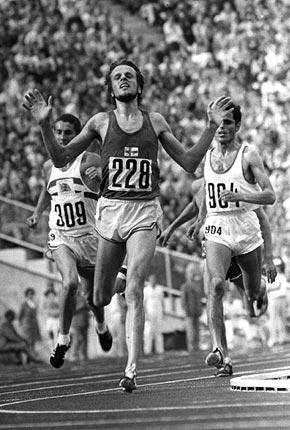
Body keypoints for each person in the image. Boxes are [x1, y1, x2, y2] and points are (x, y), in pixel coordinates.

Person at [23, 58, 233, 391]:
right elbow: (62, 159)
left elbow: (191, 162)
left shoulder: (156, 121)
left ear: (139, 85)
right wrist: (45, 125)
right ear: (110, 87)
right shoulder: (101, 122)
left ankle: (131, 370)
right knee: (101, 297)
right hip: (110, 213)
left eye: (129, 76)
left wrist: (210, 127)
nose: (123, 80)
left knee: (135, 288)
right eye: (117, 77)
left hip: (144, 212)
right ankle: (117, 278)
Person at [193, 103, 276, 376]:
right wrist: (200, 218)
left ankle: (260, 288)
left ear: (237, 126)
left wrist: (242, 196)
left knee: (251, 293)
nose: (222, 127)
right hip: (217, 226)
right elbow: (207, 190)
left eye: (228, 122)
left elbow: (270, 195)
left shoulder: (248, 155)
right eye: (218, 122)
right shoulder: (207, 156)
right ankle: (221, 352)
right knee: (215, 285)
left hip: (246, 229)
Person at [26, 113, 113, 368]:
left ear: (80, 137)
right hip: (61, 236)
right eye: (59, 132)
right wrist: (37, 213)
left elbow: (104, 185)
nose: (63, 137)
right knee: (69, 283)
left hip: (89, 238)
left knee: (93, 298)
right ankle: (63, 340)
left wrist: (100, 179)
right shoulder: (46, 166)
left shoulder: (89, 160)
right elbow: (46, 188)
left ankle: (101, 325)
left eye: (69, 133)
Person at [181, 261, 204, 352]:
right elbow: (183, 301)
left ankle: (196, 345)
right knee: (190, 330)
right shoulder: (185, 286)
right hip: (189, 312)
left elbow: (199, 299)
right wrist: (186, 310)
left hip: (196, 311)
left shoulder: (196, 286)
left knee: (197, 330)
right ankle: (191, 346)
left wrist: (200, 309)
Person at [143, 274, 164, 355]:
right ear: (149, 280)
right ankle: (147, 350)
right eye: (151, 279)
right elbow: (144, 303)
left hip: (158, 312)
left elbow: (162, 301)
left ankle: (160, 350)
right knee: (148, 332)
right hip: (149, 312)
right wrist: (146, 314)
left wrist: (163, 311)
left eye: (154, 279)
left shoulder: (160, 289)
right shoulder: (146, 290)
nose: (153, 281)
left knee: (158, 331)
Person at [18, 288, 41, 357]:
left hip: (34, 324)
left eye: (32, 294)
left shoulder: (34, 303)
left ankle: (32, 355)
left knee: (33, 340)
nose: (31, 296)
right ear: (27, 295)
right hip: (27, 324)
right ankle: (29, 356)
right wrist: (21, 323)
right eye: (29, 294)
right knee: (28, 340)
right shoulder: (24, 304)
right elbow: (20, 315)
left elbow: (36, 313)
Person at [70, 289, 90, 362]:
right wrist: (81, 306)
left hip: (85, 321)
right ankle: (73, 356)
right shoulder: (71, 298)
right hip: (76, 322)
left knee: (84, 340)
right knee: (77, 340)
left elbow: (88, 307)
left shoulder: (83, 297)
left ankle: (83, 356)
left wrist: (87, 305)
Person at [42, 283, 59, 350]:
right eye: (49, 286)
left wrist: (56, 313)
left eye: (51, 286)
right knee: (50, 333)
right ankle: (52, 349)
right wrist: (48, 313)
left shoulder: (56, 296)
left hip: (56, 318)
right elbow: (44, 309)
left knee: (57, 334)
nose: (50, 288)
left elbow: (59, 307)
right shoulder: (45, 297)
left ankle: (57, 349)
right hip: (49, 318)